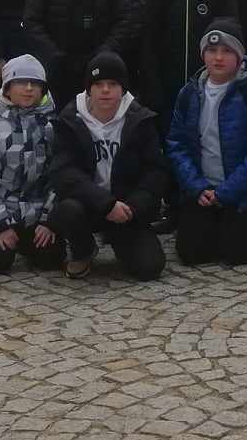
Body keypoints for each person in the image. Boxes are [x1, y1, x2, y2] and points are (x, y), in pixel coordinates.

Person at [45, 51, 168, 280]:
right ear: (88, 89)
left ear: (123, 89)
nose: (105, 90)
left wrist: (133, 206)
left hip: (127, 209)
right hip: (88, 205)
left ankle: (120, 240)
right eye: (98, 84)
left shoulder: (141, 120)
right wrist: (105, 203)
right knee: (68, 210)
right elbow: (63, 172)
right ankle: (83, 250)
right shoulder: (70, 120)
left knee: (150, 267)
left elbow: (156, 171)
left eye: (113, 84)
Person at [168, 21, 247, 267]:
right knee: (191, 254)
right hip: (203, 190)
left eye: (227, 51)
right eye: (212, 50)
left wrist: (228, 191)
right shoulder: (189, 93)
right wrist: (197, 187)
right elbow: (177, 144)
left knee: (236, 253)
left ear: (239, 56)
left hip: (245, 193)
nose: (218, 57)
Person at [0, 54, 62, 275]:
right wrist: (0, 227)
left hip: (37, 213)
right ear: (7, 87)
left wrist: (49, 221)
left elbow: (60, 177)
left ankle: (27, 241)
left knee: (51, 259)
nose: (28, 88)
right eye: (21, 82)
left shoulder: (55, 128)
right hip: (1, 209)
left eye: (35, 83)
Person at [138, 0, 240, 132]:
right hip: (167, 80)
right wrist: (151, 81)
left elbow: (231, 34)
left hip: (207, 80)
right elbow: (149, 37)